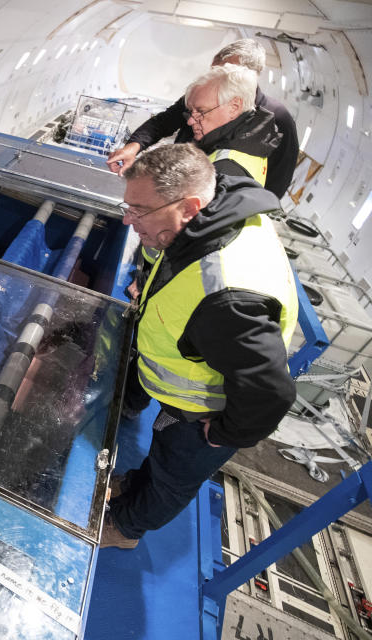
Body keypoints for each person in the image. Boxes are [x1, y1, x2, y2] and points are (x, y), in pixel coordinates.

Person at [102, 143, 298, 549]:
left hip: (206, 415)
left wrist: (222, 433)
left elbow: (271, 393)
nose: (127, 220)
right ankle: (135, 486)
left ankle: (125, 529)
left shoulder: (228, 298)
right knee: (162, 457)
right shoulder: (216, 202)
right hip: (182, 403)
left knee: (174, 477)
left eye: (139, 211)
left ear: (190, 206)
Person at [107, 39, 298, 200]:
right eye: (212, 71)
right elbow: (164, 122)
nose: (191, 120)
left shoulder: (277, 119)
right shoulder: (204, 96)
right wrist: (133, 146)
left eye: (222, 73)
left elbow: (278, 179)